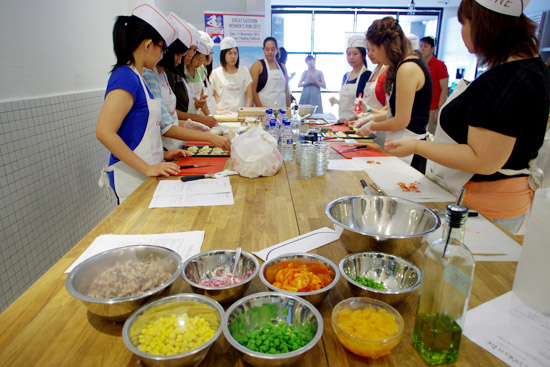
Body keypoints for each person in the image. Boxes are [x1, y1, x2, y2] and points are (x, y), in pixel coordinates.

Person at [384, 0, 550, 234]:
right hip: (484, 204)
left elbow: (483, 159)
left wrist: (416, 146)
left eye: (464, 23)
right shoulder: (526, 68)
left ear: (485, 24)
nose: (462, 32)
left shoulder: (508, 78)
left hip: (485, 211)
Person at [96, 2, 191, 203]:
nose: (163, 55)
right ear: (148, 45)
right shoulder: (125, 77)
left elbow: (139, 132)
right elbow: (104, 132)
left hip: (145, 177)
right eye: (162, 49)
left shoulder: (139, 78)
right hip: (132, 178)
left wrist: (163, 155)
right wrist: (148, 167)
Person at [354, 18, 432, 173]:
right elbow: (393, 113)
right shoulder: (403, 66)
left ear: (384, 45)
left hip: (411, 147)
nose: (375, 56)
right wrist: (370, 118)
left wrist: (371, 126)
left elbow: (401, 120)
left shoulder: (408, 68)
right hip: (401, 143)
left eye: (374, 50)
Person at [142, 14, 227, 151]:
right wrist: (208, 135)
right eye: (180, 54)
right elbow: (164, 126)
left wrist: (191, 124)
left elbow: (169, 118)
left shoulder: (162, 74)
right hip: (162, 147)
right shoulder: (145, 75)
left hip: (172, 147)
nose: (181, 60)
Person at [163, 20, 218, 129]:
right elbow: (168, 116)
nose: (189, 55)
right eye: (189, 50)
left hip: (183, 130)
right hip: (175, 134)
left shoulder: (175, 72)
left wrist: (199, 109)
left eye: (193, 50)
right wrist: (199, 119)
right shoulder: (165, 73)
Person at [331, 35, 371, 123]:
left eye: (355, 54)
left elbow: (365, 104)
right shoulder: (346, 76)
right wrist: (337, 101)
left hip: (356, 123)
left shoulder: (367, 75)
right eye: (348, 54)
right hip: (342, 121)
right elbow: (347, 102)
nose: (351, 57)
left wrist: (352, 120)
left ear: (363, 55)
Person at [210, 37, 253, 113]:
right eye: (230, 53)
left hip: (241, 115)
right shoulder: (216, 73)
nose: (233, 56)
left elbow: (249, 95)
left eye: (235, 53)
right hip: (223, 115)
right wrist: (217, 108)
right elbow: (211, 95)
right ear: (223, 55)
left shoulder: (244, 71)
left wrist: (247, 111)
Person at [250, 37, 290, 108]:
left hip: (282, 112)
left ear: (277, 50)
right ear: (263, 50)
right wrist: (262, 110)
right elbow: (253, 91)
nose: (270, 52)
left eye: (272, 49)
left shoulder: (282, 67)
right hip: (264, 112)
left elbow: (286, 90)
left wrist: (288, 109)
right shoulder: (257, 66)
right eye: (267, 49)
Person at [420, 36, 449, 134]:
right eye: (421, 46)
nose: (422, 49)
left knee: (430, 134)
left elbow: (444, 88)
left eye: (426, 46)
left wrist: (439, 109)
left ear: (432, 48)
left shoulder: (439, 65)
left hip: (433, 108)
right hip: (421, 107)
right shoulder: (420, 65)